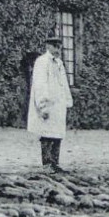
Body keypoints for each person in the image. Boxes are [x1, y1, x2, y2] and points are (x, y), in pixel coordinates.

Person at [27, 34, 73, 171]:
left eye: (59, 47)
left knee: (58, 133)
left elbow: (64, 83)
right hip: (48, 104)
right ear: (48, 46)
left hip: (58, 105)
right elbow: (40, 85)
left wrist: (67, 99)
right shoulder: (42, 62)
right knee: (46, 133)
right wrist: (43, 106)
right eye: (55, 46)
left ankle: (55, 162)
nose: (58, 49)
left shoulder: (59, 63)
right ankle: (46, 163)